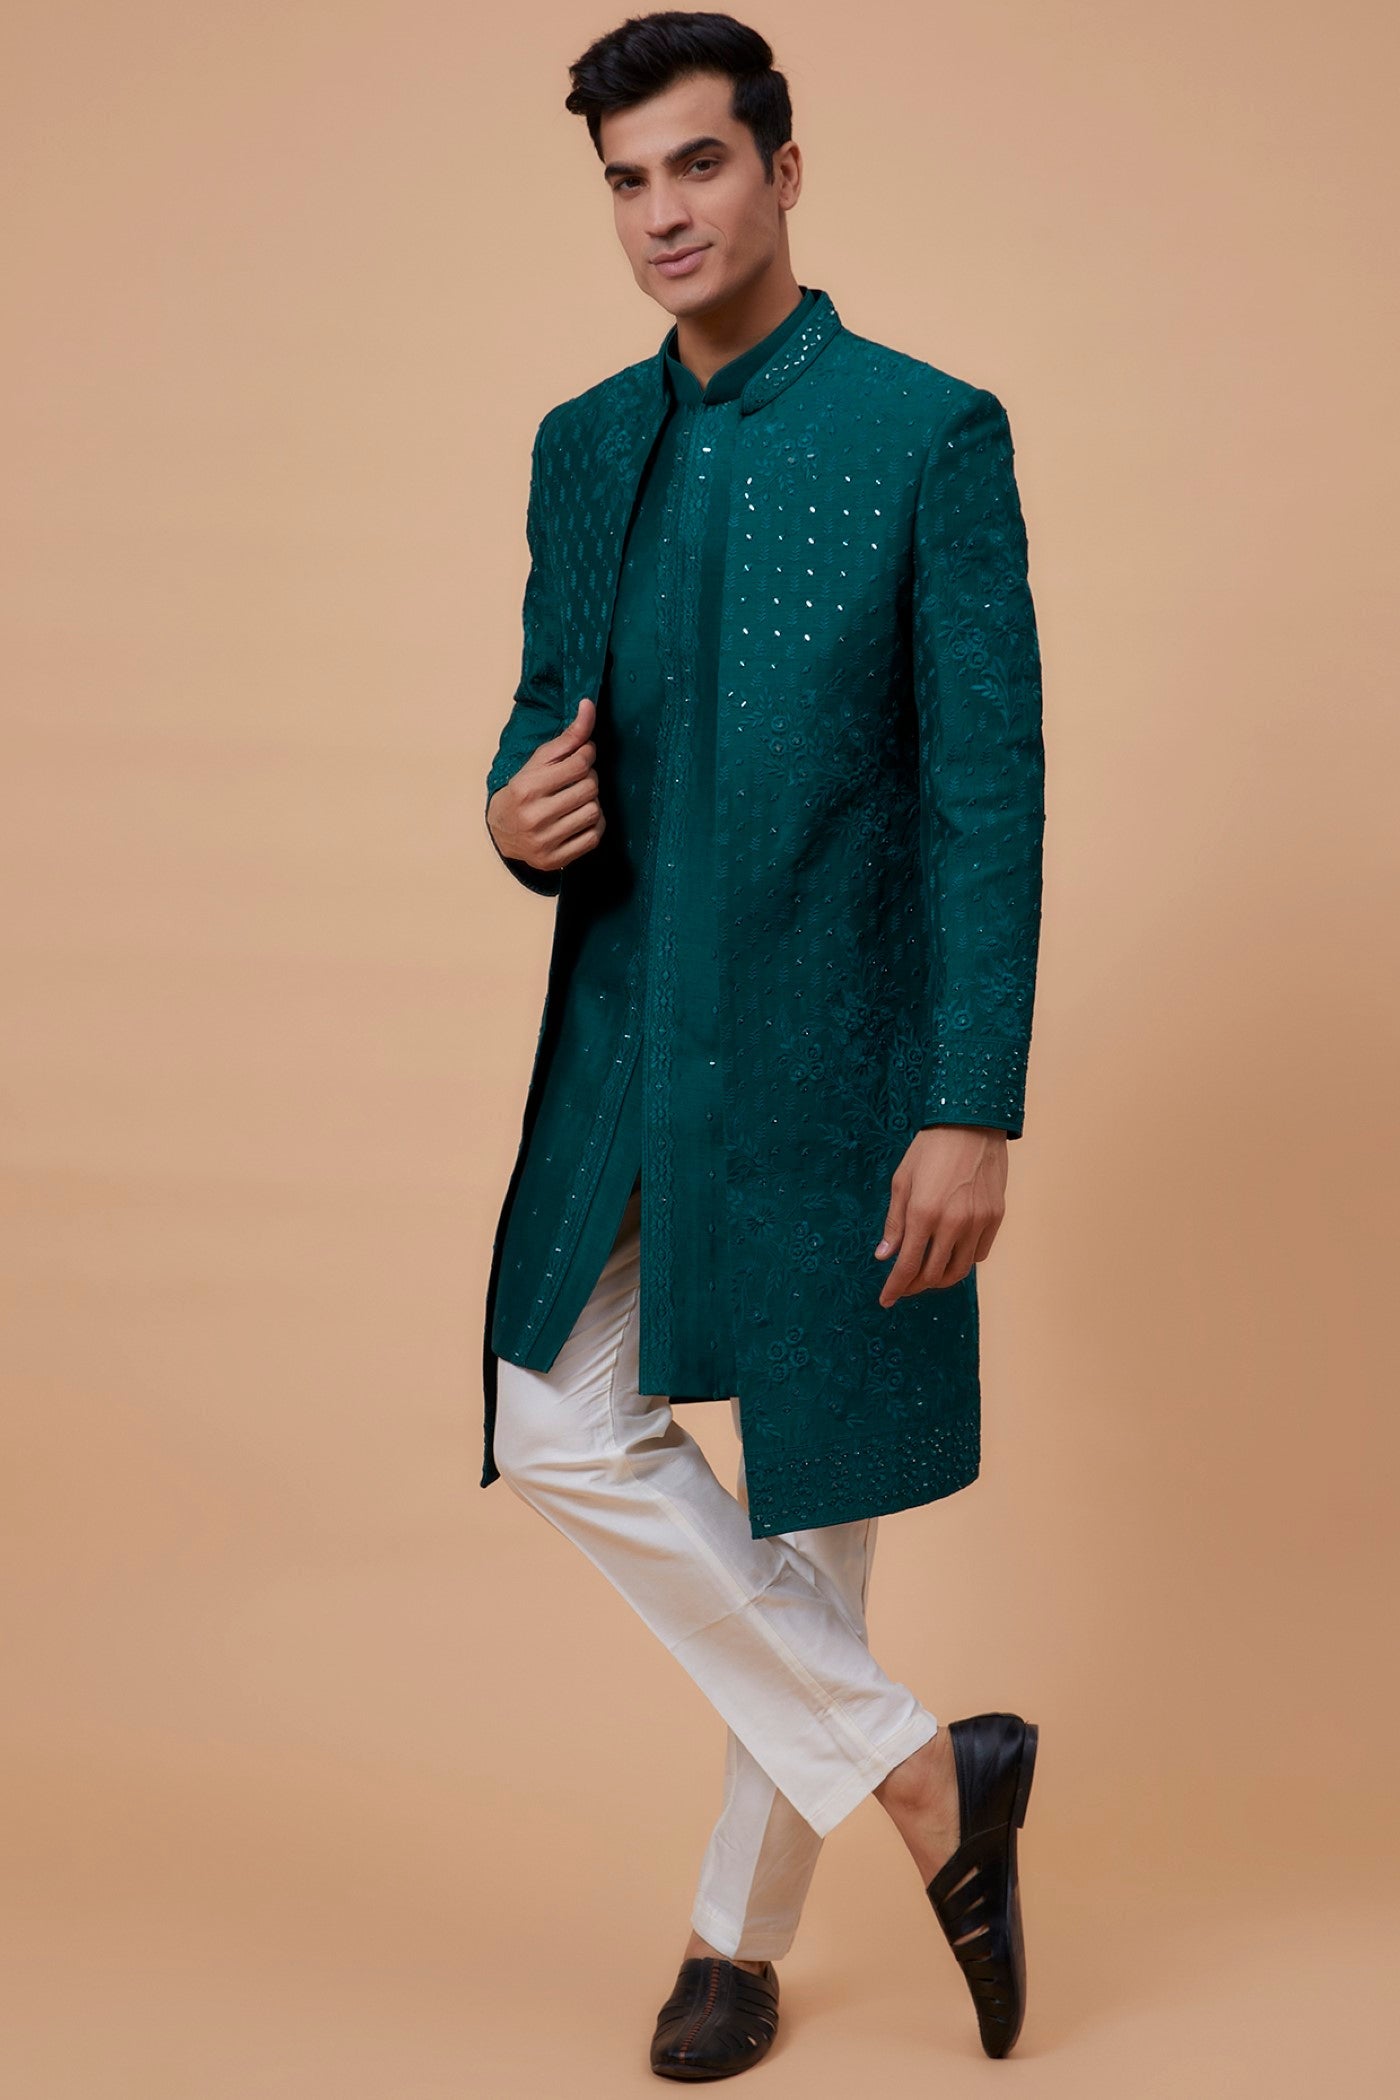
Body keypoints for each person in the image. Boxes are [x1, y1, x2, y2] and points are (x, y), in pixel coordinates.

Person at [481, 12, 1046, 2077]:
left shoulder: (926, 433)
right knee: (556, 1419)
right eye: (626, 181)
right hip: (634, 1035)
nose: (662, 213)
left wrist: (968, 1099)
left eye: (697, 164)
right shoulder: (581, 444)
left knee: (813, 1507)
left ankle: (736, 1942)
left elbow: (986, 787)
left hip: (844, 1049)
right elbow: (541, 711)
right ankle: (924, 1775)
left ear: (783, 170)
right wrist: (506, 813)